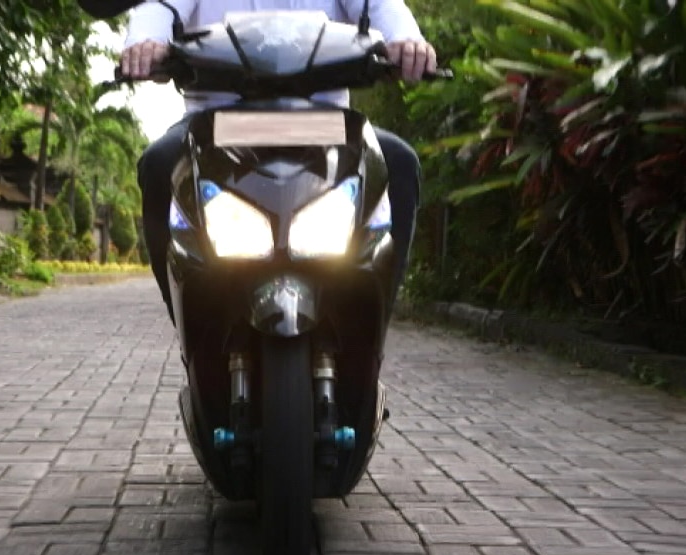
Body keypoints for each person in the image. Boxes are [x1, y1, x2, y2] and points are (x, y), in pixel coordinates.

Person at [79, 0, 437, 324]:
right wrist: (144, 41)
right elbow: (160, 6)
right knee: (160, 163)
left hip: (325, 122)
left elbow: (382, 6)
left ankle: (372, 322)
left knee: (398, 162)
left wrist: (407, 40)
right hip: (215, 122)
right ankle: (191, 322)